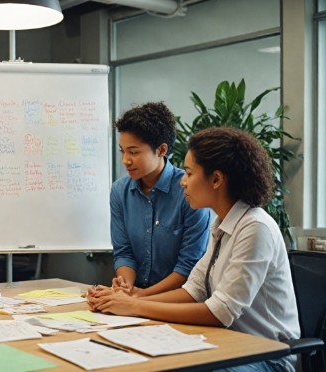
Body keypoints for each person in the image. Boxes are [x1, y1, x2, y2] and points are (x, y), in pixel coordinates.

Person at [88, 127, 300, 371]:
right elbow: (194, 289)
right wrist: (132, 296)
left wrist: (135, 307)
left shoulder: (256, 227)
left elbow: (221, 311)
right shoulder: (222, 223)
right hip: (225, 344)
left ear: (217, 179)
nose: (182, 181)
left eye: (189, 173)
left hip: (265, 356)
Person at [96, 102, 210, 297]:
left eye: (134, 152)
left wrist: (141, 297)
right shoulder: (119, 191)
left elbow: (189, 265)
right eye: (122, 151)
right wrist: (125, 286)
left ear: (161, 150)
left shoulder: (189, 190)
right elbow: (124, 253)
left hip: (179, 300)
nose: (125, 160)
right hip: (137, 298)